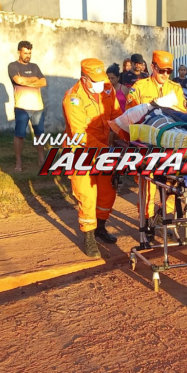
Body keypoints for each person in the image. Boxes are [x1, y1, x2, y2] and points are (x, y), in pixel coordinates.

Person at [62, 59, 124, 257]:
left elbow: (117, 117)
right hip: (81, 152)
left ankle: (100, 228)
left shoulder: (107, 89)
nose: (100, 83)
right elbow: (81, 135)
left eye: (102, 79)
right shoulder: (73, 99)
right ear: (84, 79)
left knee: (107, 192)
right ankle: (88, 237)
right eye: (95, 80)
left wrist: (129, 135)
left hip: (104, 149)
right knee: (87, 195)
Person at [125, 51, 187, 225]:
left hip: (169, 144)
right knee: (148, 186)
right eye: (161, 70)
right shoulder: (138, 87)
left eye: (169, 71)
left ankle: (164, 220)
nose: (165, 75)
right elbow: (130, 116)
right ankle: (147, 225)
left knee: (170, 183)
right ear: (152, 67)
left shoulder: (175, 88)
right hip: (146, 145)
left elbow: (183, 116)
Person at [8, 40, 47, 172]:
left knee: (39, 134)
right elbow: (17, 80)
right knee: (19, 135)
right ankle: (18, 162)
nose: (28, 56)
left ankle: (41, 159)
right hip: (22, 107)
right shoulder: (13, 66)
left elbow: (44, 82)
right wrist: (34, 80)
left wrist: (26, 81)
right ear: (19, 52)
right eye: (25, 53)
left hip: (38, 107)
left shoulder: (35, 66)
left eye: (29, 53)